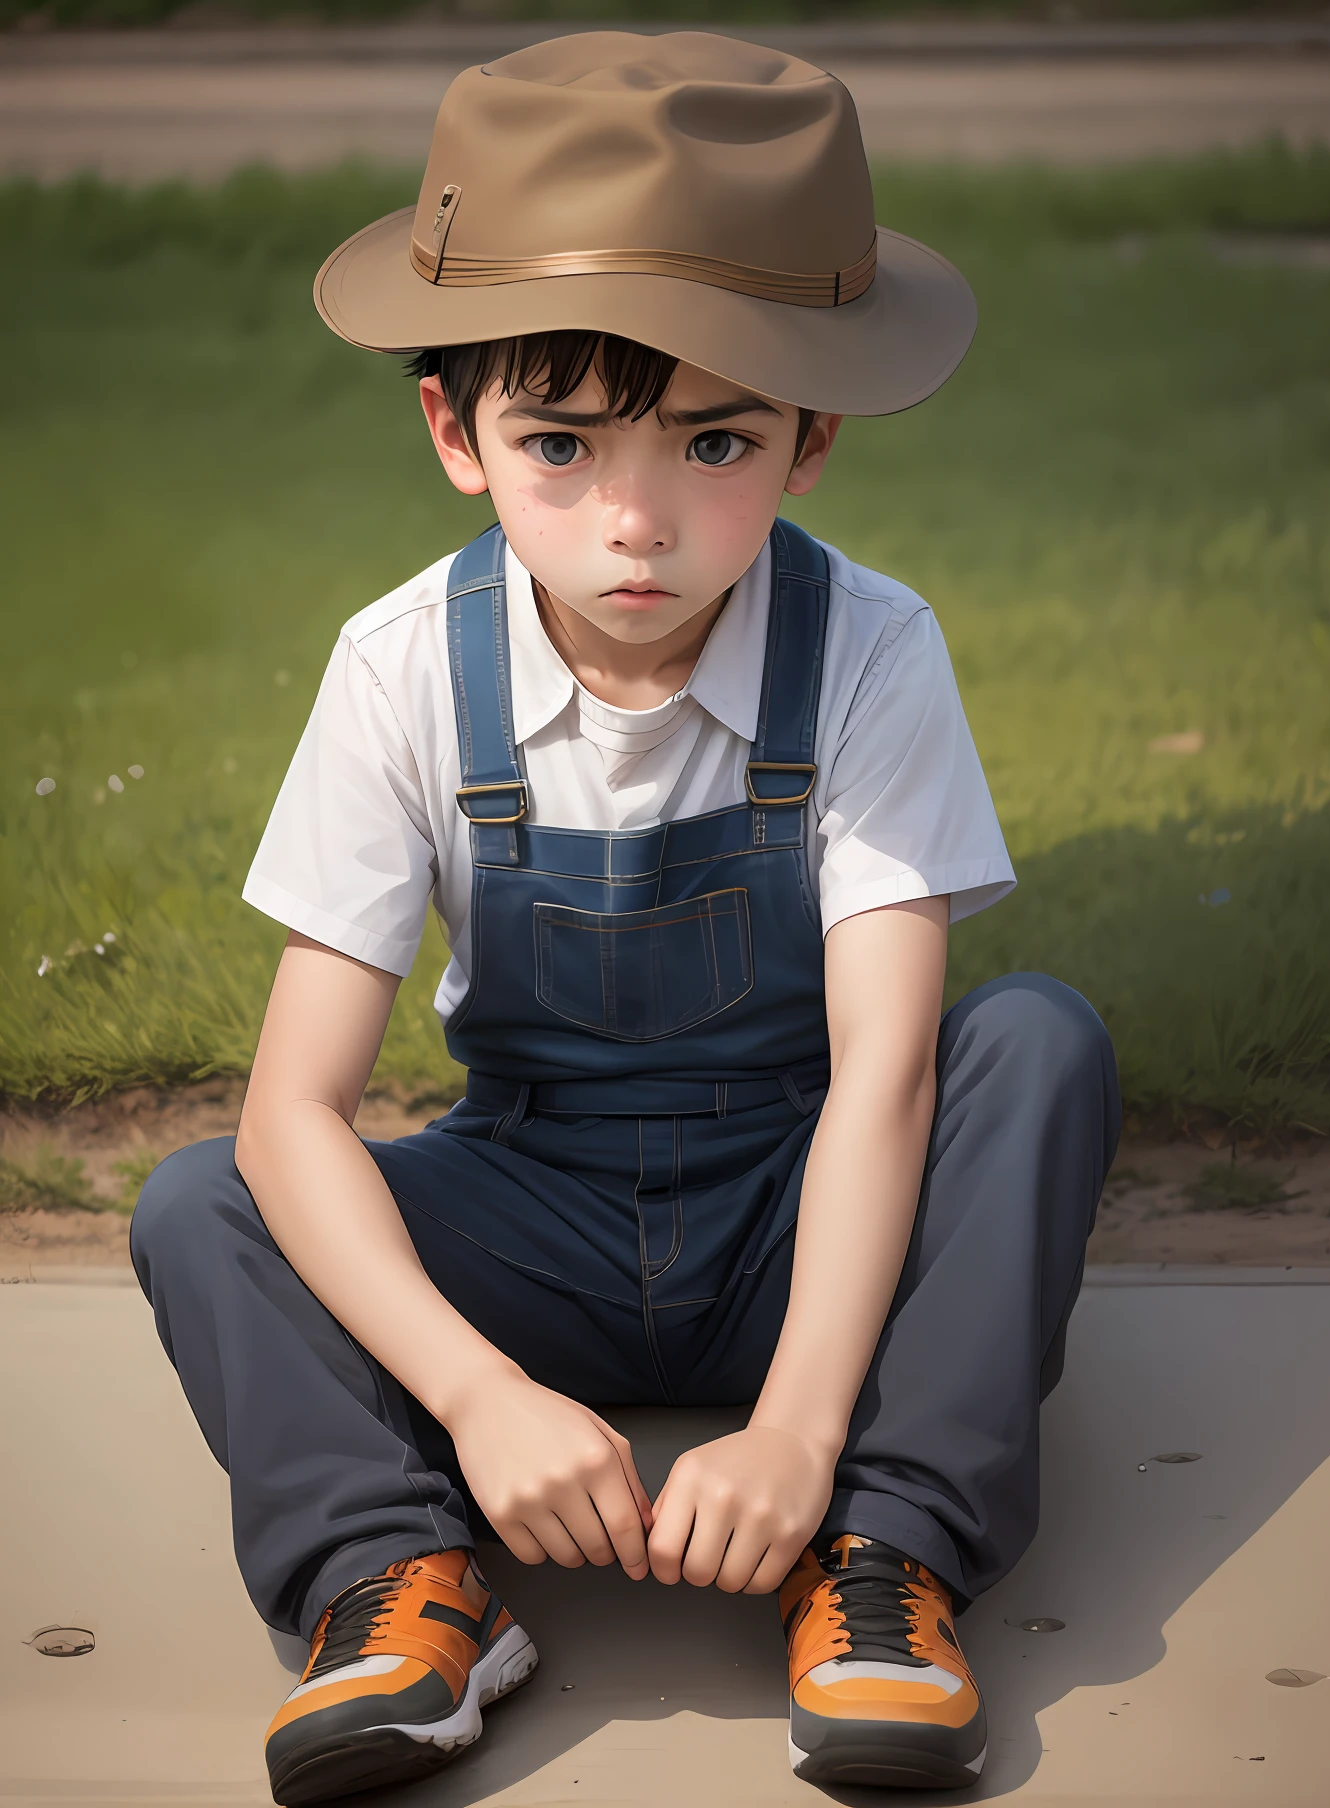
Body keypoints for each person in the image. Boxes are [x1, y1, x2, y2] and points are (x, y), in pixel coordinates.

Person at [131, 29, 1119, 1806]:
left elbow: (891, 1078)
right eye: (564, 441)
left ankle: (883, 1559)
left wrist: (807, 1424)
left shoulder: (872, 650)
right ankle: (399, 1574)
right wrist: (479, 1392)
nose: (638, 520)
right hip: (530, 1220)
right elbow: (294, 1109)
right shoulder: (403, 669)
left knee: (1034, 1047)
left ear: (814, 435)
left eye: (714, 438)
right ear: (456, 430)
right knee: (207, 1196)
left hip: (801, 1207)